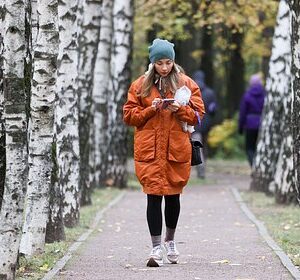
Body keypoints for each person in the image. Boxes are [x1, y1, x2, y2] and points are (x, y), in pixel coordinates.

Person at [123, 38, 205, 267]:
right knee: (152, 195)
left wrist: (181, 110)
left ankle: (170, 241)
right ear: (152, 62)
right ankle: (155, 246)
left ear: (173, 61)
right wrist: (151, 109)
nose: (165, 67)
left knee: (172, 196)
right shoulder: (140, 85)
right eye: (160, 62)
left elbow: (199, 115)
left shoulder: (186, 84)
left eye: (168, 62)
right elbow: (129, 116)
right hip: (149, 150)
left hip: (175, 150)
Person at [192, 70, 218, 179]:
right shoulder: (210, 93)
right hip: (206, 124)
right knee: (204, 147)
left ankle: (201, 171)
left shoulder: (190, 92)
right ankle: (203, 168)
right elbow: (213, 110)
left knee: (197, 147)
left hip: (195, 123)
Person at [238, 73, 266, 166]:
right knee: (260, 147)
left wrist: (241, 127)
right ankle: (259, 165)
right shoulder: (266, 94)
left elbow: (242, 113)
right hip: (262, 124)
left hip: (250, 124)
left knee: (249, 147)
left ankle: (253, 165)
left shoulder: (247, 95)